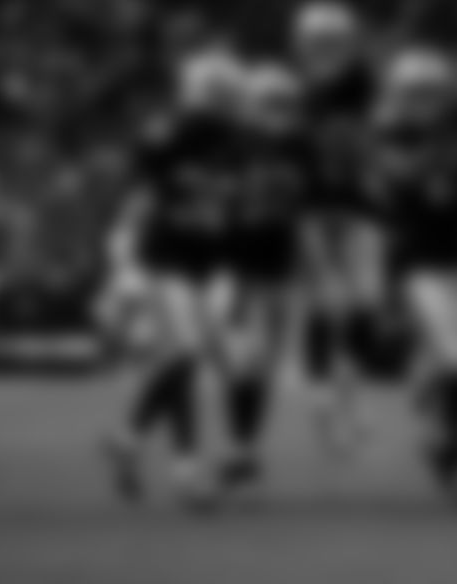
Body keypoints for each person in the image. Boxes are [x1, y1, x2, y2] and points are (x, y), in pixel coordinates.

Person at [101, 46, 249, 509]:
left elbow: (233, 210)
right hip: (165, 261)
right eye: (217, 93)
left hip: (207, 265)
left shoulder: (237, 144)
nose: (224, 101)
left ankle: (132, 443)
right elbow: (141, 190)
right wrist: (123, 269)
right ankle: (181, 469)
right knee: (186, 353)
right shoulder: (169, 135)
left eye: (229, 93)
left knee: (187, 363)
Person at [374, 47, 457, 507]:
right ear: (400, 95)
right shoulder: (393, 138)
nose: (424, 101)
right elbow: (410, 190)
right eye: (415, 93)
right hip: (420, 265)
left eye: (431, 92)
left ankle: (441, 434)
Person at [213, 62, 317, 493]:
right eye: (271, 102)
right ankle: (238, 447)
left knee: (263, 365)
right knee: (242, 361)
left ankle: (246, 448)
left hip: (279, 265)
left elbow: (308, 211)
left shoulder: (300, 149)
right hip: (235, 265)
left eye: (285, 103)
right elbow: (217, 208)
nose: (279, 111)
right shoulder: (229, 149)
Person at [290, 0, 386, 458]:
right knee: (327, 307)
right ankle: (322, 401)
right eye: (318, 42)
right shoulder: (294, 96)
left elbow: (364, 94)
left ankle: (353, 397)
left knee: (364, 308)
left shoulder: (362, 85)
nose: (326, 49)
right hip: (313, 212)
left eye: (334, 41)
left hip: (360, 210)